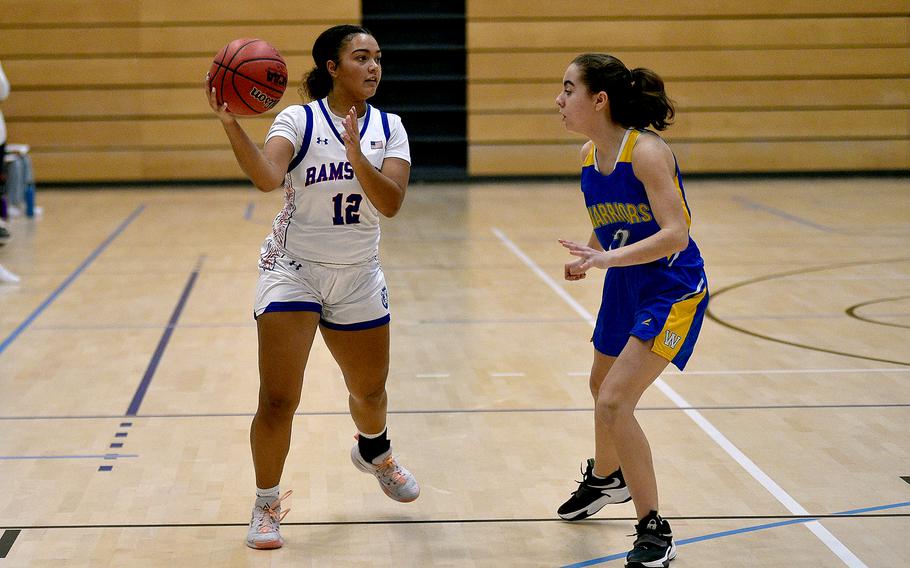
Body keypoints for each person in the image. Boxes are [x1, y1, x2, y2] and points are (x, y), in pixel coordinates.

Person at [205, 24, 418, 550]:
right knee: (279, 398)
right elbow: (266, 177)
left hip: (358, 273)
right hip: (292, 269)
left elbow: (389, 204)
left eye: (378, 58)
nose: (373, 68)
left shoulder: (390, 127)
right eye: (361, 58)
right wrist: (231, 124)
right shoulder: (297, 119)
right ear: (332, 67)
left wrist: (356, 154)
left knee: (369, 392)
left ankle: (374, 450)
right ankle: (266, 503)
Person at [554, 53, 709, 568]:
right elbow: (614, 216)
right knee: (600, 386)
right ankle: (606, 477)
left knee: (615, 402)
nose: (560, 99)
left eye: (569, 89)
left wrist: (605, 259)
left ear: (599, 100)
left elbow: (675, 233)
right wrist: (593, 250)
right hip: (625, 281)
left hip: (671, 286)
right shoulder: (587, 156)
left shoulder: (645, 150)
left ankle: (654, 529)